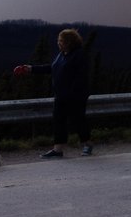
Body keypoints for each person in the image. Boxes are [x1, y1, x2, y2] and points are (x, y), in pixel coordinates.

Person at [13, 28, 93, 158]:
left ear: (69, 42)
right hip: (61, 95)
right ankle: (58, 149)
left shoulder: (79, 55)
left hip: (76, 96)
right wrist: (31, 69)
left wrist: (73, 93)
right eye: (59, 41)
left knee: (78, 120)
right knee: (59, 121)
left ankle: (87, 144)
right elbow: (52, 68)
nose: (59, 43)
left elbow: (81, 78)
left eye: (61, 41)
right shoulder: (62, 54)